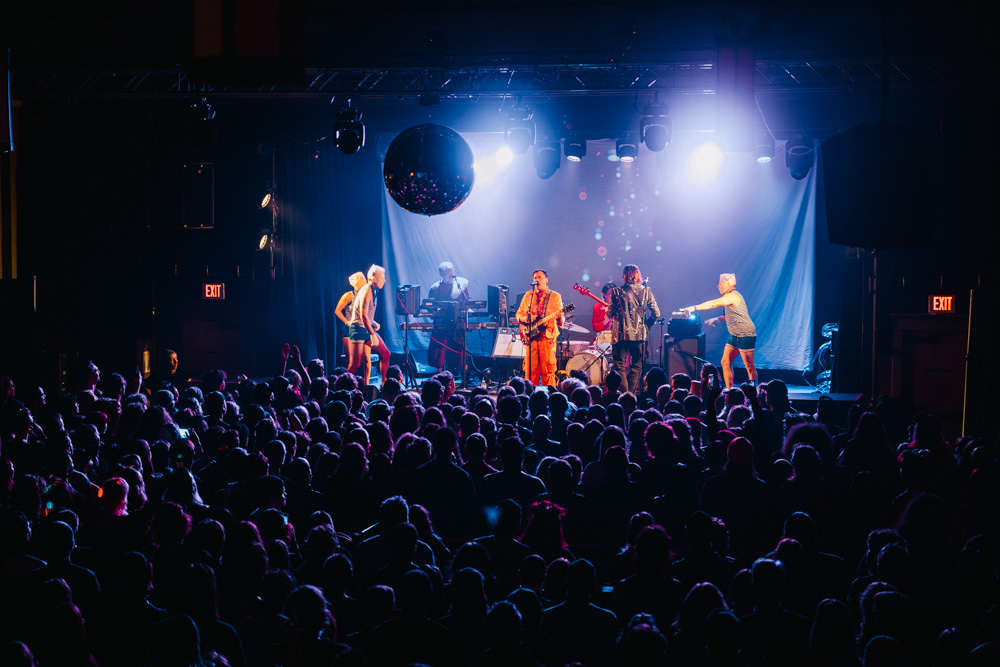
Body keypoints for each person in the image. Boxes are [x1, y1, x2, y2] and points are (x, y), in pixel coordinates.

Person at [682, 272, 757, 389]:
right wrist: (717, 319)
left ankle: (754, 392)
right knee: (725, 362)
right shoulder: (729, 298)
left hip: (745, 334)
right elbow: (732, 315)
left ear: (728, 284)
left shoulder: (732, 296)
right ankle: (729, 390)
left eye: (720, 283)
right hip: (735, 336)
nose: (718, 286)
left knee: (749, 366)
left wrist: (694, 308)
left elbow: (713, 303)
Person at [606, 264, 660, 394]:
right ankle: (629, 396)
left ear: (624, 275)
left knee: (619, 366)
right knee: (636, 365)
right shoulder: (646, 291)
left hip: (620, 334)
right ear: (638, 275)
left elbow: (610, 313)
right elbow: (656, 313)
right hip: (639, 334)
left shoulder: (616, 291)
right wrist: (647, 325)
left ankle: (624, 394)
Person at [515, 270, 565, 387]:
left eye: (539, 277)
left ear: (546, 279)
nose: (537, 280)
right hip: (531, 339)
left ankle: (550, 395)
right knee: (530, 372)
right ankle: (531, 394)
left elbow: (561, 320)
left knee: (548, 371)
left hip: (546, 338)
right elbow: (519, 314)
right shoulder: (528, 295)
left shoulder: (555, 296)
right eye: (535, 278)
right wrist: (526, 319)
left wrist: (559, 317)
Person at [347, 265, 391, 386]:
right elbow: (363, 316)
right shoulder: (367, 291)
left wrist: (373, 322)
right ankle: (341, 386)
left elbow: (366, 314)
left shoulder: (373, 290)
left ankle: (385, 385)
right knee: (355, 364)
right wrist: (373, 334)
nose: (384, 280)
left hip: (366, 327)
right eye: (382, 277)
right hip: (358, 329)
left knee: (386, 354)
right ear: (374, 278)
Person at [427, 261, 471, 373]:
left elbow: (468, 301)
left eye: (452, 274)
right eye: (448, 274)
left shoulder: (460, 286)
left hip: (458, 322)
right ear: (441, 274)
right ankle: (438, 372)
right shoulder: (435, 288)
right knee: (439, 347)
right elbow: (429, 306)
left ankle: (464, 374)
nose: (452, 276)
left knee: (460, 347)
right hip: (441, 323)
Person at [336, 272, 368, 374]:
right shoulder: (348, 295)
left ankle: (361, 380)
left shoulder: (365, 296)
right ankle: (347, 380)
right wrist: (347, 322)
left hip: (361, 329)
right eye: (363, 281)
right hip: (349, 330)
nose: (365, 283)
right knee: (350, 359)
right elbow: (337, 311)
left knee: (362, 359)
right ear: (356, 283)